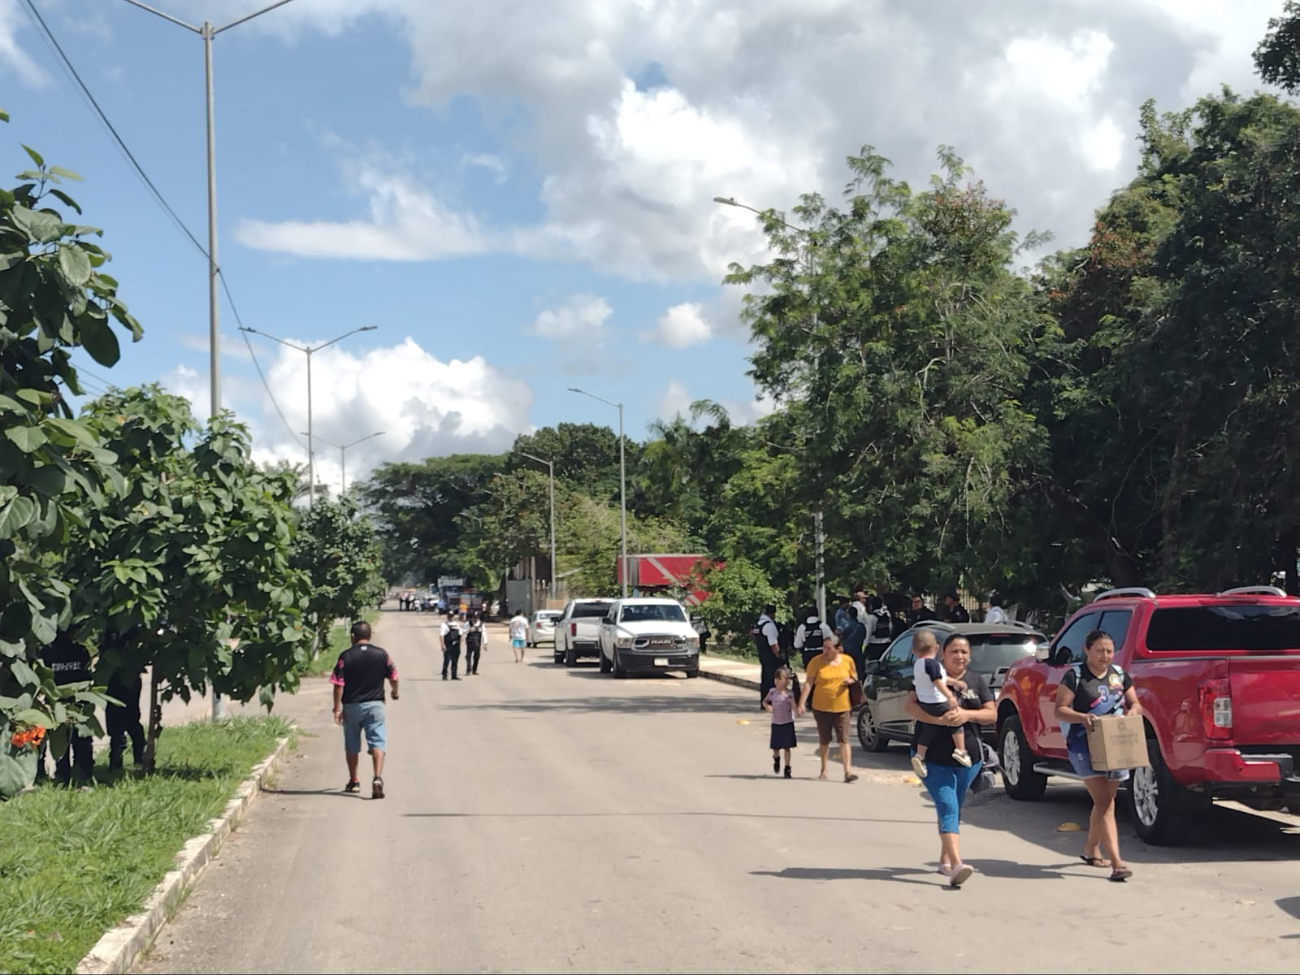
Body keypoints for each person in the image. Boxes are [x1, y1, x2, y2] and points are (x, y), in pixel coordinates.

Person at [904, 632, 995, 888]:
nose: (960, 656)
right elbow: (909, 706)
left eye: (964, 651)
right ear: (942, 653)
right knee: (948, 806)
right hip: (932, 758)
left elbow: (992, 714)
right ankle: (957, 865)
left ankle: (944, 860)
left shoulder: (977, 680)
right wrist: (938, 720)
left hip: (968, 759)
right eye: (954, 651)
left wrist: (966, 715)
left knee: (954, 806)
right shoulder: (931, 674)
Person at [1054, 629, 1143, 882]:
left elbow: (1135, 703)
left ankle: (1091, 849)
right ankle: (1117, 863)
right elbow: (1059, 710)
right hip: (1083, 743)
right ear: (1087, 650)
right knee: (1105, 801)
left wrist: (1133, 711)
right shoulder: (1075, 676)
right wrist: (1082, 718)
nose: (1105, 655)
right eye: (1099, 650)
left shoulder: (1119, 675)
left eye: (1109, 650)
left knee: (1106, 800)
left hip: (1115, 742)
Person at [330, 620, 399, 800]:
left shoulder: (345, 656)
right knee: (378, 742)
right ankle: (377, 777)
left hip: (352, 706)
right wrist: (394, 692)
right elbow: (394, 676)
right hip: (375, 705)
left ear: (353, 636)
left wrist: (336, 708)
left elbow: (338, 684)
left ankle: (354, 781)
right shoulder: (381, 654)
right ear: (370, 636)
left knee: (352, 745)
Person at [796, 634, 859, 783]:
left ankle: (847, 772)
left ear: (839, 649)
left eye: (829, 648)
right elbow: (809, 683)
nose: (825, 651)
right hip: (821, 707)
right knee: (824, 739)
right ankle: (824, 769)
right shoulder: (816, 662)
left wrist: (849, 681)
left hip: (842, 706)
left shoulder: (847, 661)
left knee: (843, 739)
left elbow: (854, 677)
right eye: (824, 647)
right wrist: (801, 703)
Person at [909, 629, 972, 778]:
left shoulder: (919, 664)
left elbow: (941, 679)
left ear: (913, 650)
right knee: (956, 720)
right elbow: (937, 681)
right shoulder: (933, 664)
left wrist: (954, 682)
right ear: (937, 648)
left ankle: (920, 756)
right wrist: (949, 696)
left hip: (925, 703)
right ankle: (961, 751)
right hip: (937, 701)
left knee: (929, 730)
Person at [38, 633, 94, 785]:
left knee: (63, 740)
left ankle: (68, 774)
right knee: (76, 739)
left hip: (61, 702)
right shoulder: (80, 651)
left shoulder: (46, 652)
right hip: (68, 702)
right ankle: (82, 771)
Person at [763, 667, 798, 778]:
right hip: (776, 723)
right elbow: (764, 701)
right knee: (776, 747)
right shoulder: (772, 692)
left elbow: (794, 707)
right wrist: (767, 706)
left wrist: (797, 711)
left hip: (787, 722)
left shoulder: (789, 694)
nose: (777, 681)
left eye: (780, 679)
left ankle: (787, 768)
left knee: (787, 747)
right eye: (776, 679)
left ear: (787, 681)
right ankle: (776, 759)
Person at [751, 604, 785, 709]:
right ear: (773, 613)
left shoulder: (758, 624)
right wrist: (779, 656)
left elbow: (752, 635)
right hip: (771, 656)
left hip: (762, 654)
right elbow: (773, 644)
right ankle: (772, 702)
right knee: (772, 680)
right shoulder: (769, 625)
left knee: (765, 678)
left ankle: (764, 702)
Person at [839, 607, 867, 678]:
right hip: (858, 651)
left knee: (847, 672)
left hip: (846, 651)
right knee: (858, 673)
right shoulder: (861, 626)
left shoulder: (844, 625)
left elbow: (838, 634)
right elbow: (864, 637)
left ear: (848, 614)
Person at [440, 615, 463, 680]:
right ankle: (444, 675)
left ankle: (454, 675)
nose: (451, 617)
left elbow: (460, 633)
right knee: (447, 660)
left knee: (455, 660)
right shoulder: (444, 624)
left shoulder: (456, 624)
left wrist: (460, 639)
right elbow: (441, 635)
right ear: (447, 616)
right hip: (448, 644)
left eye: (452, 616)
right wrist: (442, 644)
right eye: (450, 616)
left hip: (456, 644)